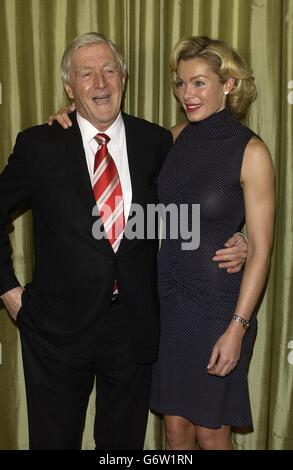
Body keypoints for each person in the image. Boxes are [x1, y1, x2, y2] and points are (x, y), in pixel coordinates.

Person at [0, 32, 247, 450]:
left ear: (124, 78)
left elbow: (208, 190)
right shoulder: (40, 144)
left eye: (109, 70)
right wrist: (9, 290)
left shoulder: (157, 142)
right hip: (55, 329)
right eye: (86, 74)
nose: (100, 82)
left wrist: (239, 235)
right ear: (69, 87)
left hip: (134, 329)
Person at [148, 36, 275, 450]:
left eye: (200, 83)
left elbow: (260, 249)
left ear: (229, 85)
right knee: (175, 431)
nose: (188, 94)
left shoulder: (251, 151)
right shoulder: (170, 140)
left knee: (211, 430)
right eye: (181, 84)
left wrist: (237, 328)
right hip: (170, 300)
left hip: (219, 305)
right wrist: (69, 116)